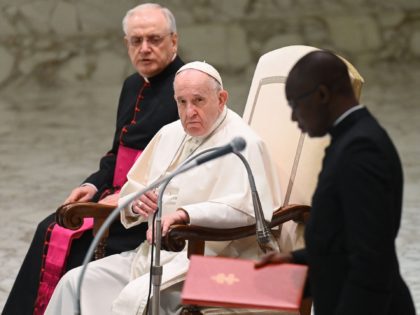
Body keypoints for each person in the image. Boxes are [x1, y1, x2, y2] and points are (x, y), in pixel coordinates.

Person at [44, 61, 282, 315]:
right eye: (181, 102)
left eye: (199, 100)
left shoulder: (242, 144)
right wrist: (136, 203)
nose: (189, 112)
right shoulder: (169, 134)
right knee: (74, 283)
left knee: (135, 299)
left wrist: (186, 216)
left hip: (210, 262)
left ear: (221, 98)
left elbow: (248, 210)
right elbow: (134, 187)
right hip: (151, 256)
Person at [2, 3, 184, 315]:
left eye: (154, 39)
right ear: (125, 44)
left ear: (174, 41)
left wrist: (125, 196)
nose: (144, 49)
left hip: (144, 209)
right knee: (52, 226)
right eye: (135, 41)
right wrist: (91, 184)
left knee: (58, 232)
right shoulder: (131, 85)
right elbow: (117, 153)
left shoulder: (186, 89)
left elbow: (180, 165)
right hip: (110, 196)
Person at [255, 50, 416, 315]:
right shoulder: (349, 140)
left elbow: (371, 260)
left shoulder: (362, 150)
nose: (294, 118)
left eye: (295, 104)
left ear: (322, 95)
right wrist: (295, 259)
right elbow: (344, 242)